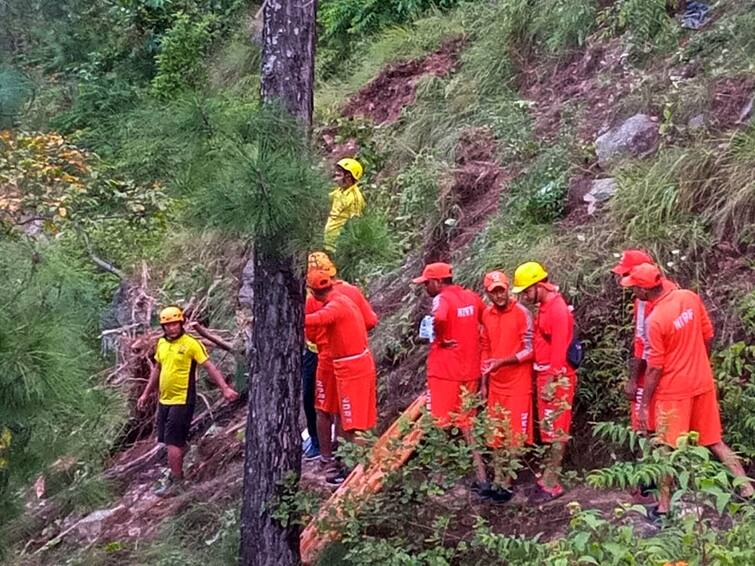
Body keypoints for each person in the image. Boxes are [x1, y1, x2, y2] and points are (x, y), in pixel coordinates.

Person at [620, 263, 754, 519]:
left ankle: (663, 507)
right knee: (714, 440)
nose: (632, 292)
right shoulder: (689, 297)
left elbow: (654, 368)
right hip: (702, 383)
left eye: (633, 288)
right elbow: (708, 335)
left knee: (665, 449)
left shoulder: (655, 320)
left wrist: (645, 402)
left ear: (643, 290)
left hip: (673, 392)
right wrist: (701, 363)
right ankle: (748, 490)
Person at [137, 306, 239, 496]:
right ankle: (180, 466)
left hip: (182, 399)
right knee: (170, 441)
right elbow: (157, 370)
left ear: (181, 323)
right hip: (164, 400)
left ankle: (177, 481)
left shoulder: (191, 344)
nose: (172, 328)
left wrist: (224, 388)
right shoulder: (161, 344)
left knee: (172, 442)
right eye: (168, 325)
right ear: (163, 327)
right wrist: (145, 393)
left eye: (175, 324)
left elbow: (209, 366)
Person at [412, 262, 487, 490]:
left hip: (445, 373)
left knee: (440, 424)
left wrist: (441, 339)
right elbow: (487, 319)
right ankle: (482, 477)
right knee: (467, 423)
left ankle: (439, 479)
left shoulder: (441, 299)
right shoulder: (472, 297)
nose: (426, 288)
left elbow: (441, 318)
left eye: (427, 283)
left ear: (437, 282)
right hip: (470, 371)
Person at [305, 252, 378, 471]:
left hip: (333, 361)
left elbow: (312, 333)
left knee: (326, 410)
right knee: (348, 414)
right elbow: (371, 320)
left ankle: (330, 460)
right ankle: (342, 459)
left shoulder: (317, 302)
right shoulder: (351, 292)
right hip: (352, 357)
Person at [512, 261, 576, 503]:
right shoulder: (546, 306)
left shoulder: (558, 310)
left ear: (540, 285)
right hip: (545, 377)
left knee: (557, 430)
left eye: (527, 291)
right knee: (549, 430)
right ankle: (546, 478)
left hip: (556, 379)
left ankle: (552, 483)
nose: (525, 297)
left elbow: (559, 350)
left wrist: (550, 382)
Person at [479, 270, 535, 503]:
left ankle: (507, 483)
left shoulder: (522, 313)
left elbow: (531, 349)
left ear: (508, 288)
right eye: (494, 292)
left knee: (515, 437)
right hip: (496, 384)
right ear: (488, 294)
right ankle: (497, 478)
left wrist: (504, 361)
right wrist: (484, 382)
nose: (499, 295)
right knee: (495, 436)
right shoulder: (487, 314)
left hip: (518, 384)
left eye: (502, 290)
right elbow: (485, 347)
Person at [611, 250, 676, 435]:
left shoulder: (644, 300)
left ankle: (648, 460)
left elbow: (642, 342)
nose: (623, 279)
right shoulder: (672, 290)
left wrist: (633, 380)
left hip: (652, 368)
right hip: (672, 367)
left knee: (644, 424)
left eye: (626, 274)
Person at [323, 158, 365, 253]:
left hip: (338, 246)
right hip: (328, 241)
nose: (335, 178)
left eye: (339, 175)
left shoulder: (355, 198)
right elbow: (324, 198)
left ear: (349, 176)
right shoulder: (340, 191)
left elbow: (355, 224)